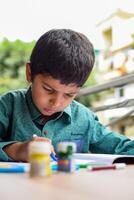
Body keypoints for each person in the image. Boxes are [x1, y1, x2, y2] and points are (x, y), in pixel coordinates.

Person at [0, 29, 134, 162]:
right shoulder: (8, 106)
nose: (56, 102)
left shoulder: (85, 119)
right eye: (48, 89)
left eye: (69, 95)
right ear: (29, 73)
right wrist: (18, 150)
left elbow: (121, 146)